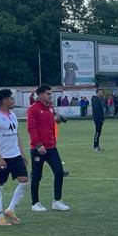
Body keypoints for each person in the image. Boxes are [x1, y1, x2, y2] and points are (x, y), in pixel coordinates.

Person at [0, 88, 29, 226]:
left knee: (24, 180)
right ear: (4, 100)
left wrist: (22, 154)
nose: (13, 101)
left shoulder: (13, 115)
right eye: (11, 99)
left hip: (15, 156)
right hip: (1, 158)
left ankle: (10, 209)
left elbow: (17, 136)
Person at [27, 84, 70, 213]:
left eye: (50, 93)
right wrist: (38, 145)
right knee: (37, 175)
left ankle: (57, 201)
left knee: (58, 171)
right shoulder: (33, 109)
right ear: (39, 94)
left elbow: (50, 124)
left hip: (51, 147)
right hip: (38, 148)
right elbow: (32, 128)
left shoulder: (50, 108)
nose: (50, 95)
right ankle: (35, 203)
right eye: (47, 93)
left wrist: (58, 120)